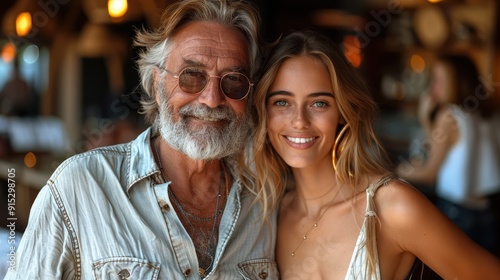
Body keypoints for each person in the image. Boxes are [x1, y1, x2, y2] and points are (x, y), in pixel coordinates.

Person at [5, 1, 279, 279]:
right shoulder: (79, 187)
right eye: (192, 76)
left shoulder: (265, 203)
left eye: (233, 80)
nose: (211, 99)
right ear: (158, 85)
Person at [251, 30, 500, 279]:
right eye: (282, 102)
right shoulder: (266, 218)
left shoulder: (391, 207)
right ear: (264, 111)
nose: (299, 121)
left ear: (342, 111)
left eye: (319, 103)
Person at [397, 54, 500, 255]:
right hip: (489, 212)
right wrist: (429, 122)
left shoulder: (449, 116)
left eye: (438, 80)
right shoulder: (489, 113)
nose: (432, 88)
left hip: (458, 213)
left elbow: (429, 173)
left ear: (456, 82)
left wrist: (396, 171)